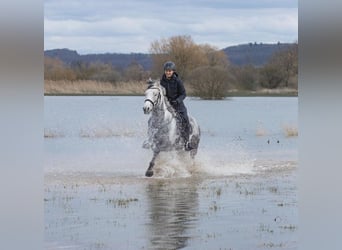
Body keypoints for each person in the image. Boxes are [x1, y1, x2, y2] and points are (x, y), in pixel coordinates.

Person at [160, 61, 193, 151]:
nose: (168, 72)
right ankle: (150, 140)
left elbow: (183, 94)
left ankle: (186, 142)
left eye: (170, 71)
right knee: (153, 119)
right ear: (164, 71)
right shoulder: (161, 81)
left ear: (173, 71)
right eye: (166, 71)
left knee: (185, 119)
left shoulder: (178, 81)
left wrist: (177, 101)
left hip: (178, 105)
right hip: (166, 105)